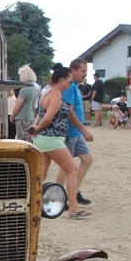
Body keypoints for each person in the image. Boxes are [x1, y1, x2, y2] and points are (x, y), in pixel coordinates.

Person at [28, 64, 89, 219]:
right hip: (52, 138)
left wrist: (36, 127)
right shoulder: (55, 94)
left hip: (44, 139)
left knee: (41, 173)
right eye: (68, 81)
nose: (70, 84)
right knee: (73, 170)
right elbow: (47, 118)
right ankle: (73, 208)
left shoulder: (46, 92)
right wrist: (37, 128)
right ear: (62, 80)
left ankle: (31, 203)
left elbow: (40, 114)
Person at [55, 59, 94, 206]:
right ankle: (56, 197)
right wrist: (83, 129)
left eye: (86, 71)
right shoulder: (70, 86)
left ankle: (74, 191)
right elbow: (68, 111)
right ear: (74, 70)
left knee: (87, 159)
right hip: (70, 132)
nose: (85, 74)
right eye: (83, 71)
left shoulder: (75, 86)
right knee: (66, 166)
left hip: (75, 133)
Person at [11, 65, 38, 141]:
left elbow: (17, 106)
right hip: (31, 117)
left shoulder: (24, 90)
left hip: (22, 118)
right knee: (29, 139)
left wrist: (12, 115)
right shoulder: (33, 89)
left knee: (21, 139)